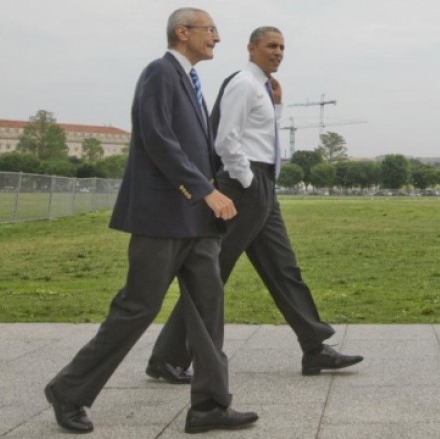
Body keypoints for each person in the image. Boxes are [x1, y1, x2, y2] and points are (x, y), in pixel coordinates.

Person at [44, 8, 258, 434]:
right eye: (210, 30)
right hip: (163, 218)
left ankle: (210, 406)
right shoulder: (160, 73)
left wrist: (219, 188)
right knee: (137, 308)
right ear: (183, 32)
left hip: (196, 224)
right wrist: (204, 190)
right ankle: (69, 390)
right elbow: (157, 138)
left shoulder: (191, 82)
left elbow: (196, 148)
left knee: (208, 310)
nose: (217, 38)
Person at [147, 26, 363, 380]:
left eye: (282, 47)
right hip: (245, 186)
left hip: (262, 186)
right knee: (211, 274)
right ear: (251, 48)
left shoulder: (263, 88)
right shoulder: (244, 84)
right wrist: (247, 181)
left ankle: (314, 348)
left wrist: (277, 107)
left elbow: (260, 135)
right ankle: (167, 358)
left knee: (284, 268)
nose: (278, 52)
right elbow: (225, 139)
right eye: (270, 46)